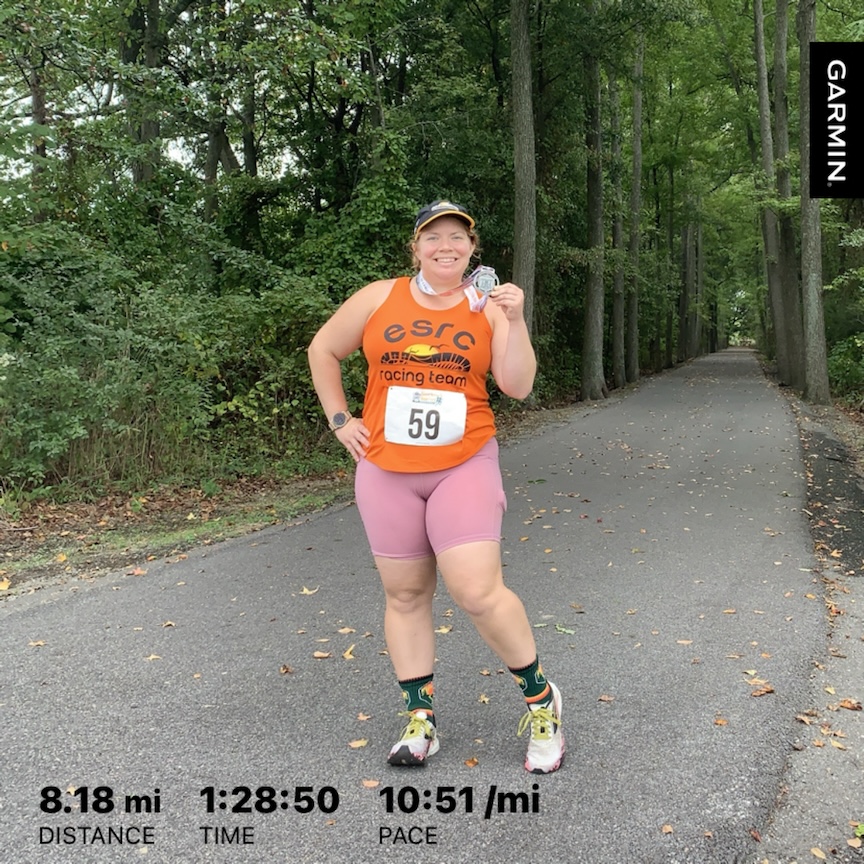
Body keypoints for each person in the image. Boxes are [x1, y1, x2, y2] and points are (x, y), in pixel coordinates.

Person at [307, 200, 564, 774]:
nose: (445, 246)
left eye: (457, 237)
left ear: (472, 248)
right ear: (416, 246)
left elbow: (518, 387)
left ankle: (542, 702)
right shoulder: (379, 296)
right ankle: (419, 720)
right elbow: (322, 349)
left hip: (462, 462)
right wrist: (341, 420)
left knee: (476, 591)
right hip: (385, 468)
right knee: (404, 595)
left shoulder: (489, 306)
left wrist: (517, 319)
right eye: (433, 237)